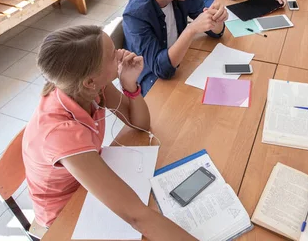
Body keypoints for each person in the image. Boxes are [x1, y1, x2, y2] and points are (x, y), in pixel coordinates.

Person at [22, 25, 195, 240]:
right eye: (113, 55)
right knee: (150, 216)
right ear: (89, 81)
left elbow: (140, 125)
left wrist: (129, 83)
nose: (122, 53)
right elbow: (136, 216)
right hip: (66, 214)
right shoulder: (61, 133)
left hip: (89, 181)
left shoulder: (89, 87)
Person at [124, 0, 227, 95]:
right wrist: (191, 30)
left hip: (179, 62)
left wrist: (217, 20)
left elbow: (215, 33)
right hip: (153, 80)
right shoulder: (136, 15)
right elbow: (161, 69)